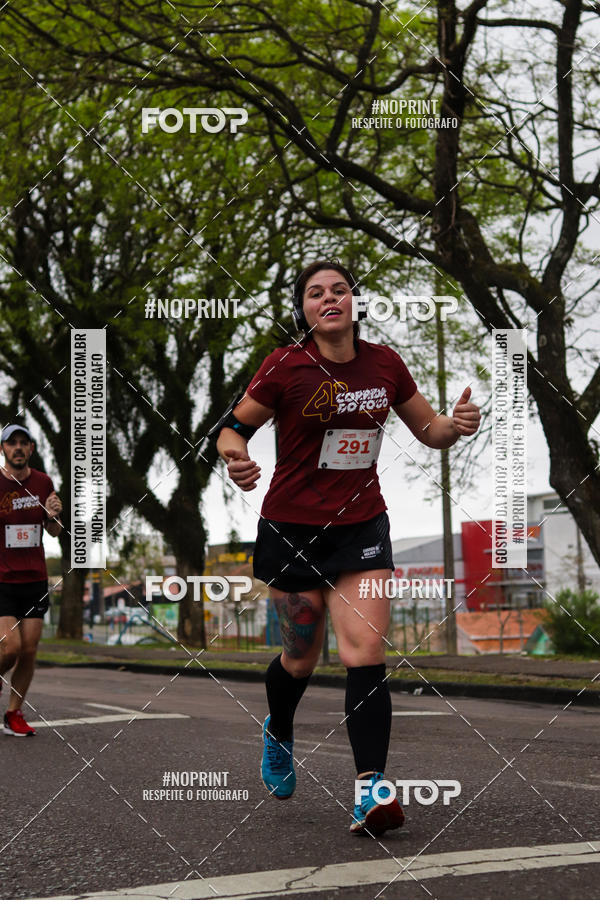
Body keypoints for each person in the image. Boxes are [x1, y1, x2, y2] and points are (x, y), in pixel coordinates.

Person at [214, 261, 481, 835]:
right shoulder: (285, 366)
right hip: (292, 528)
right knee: (301, 655)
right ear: (305, 310)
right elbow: (230, 427)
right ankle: (279, 730)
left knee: (365, 655)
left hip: (362, 526)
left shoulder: (384, 364)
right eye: (315, 293)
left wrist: (455, 425)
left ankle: (370, 791)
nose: (329, 298)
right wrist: (236, 457)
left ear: (355, 301)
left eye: (339, 289)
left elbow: (428, 431)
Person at [0, 424, 63, 736]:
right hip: (2, 579)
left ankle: (13, 713)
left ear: (32, 449)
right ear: (3, 450)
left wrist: (53, 516)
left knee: (29, 650)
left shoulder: (43, 481)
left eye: (24, 443)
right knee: (9, 648)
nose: (18, 448)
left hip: (35, 579)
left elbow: (54, 531)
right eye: (12, 443)